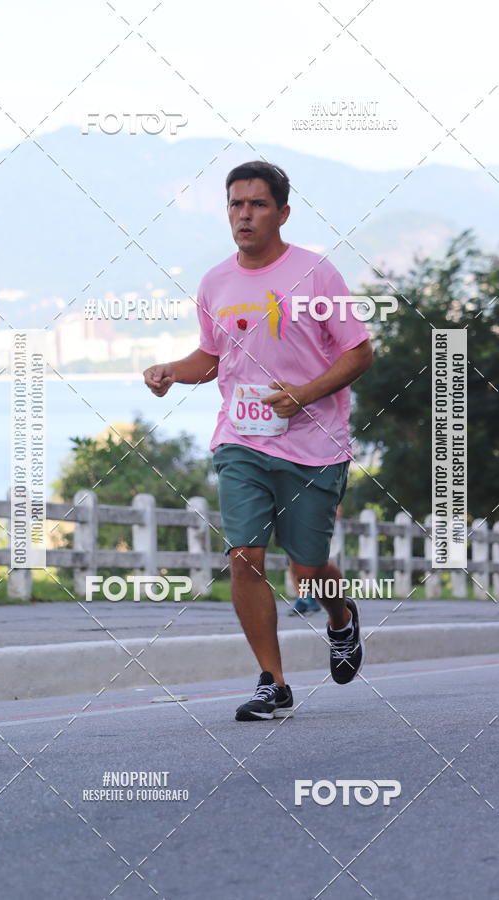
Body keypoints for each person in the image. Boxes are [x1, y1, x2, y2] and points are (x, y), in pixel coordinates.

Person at [144, 160, 373, 722]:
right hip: (241, 440)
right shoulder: (215, 282)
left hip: (313, 446)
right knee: (244, 557)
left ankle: (340, 617)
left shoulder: (317, 275)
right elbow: (212, 356)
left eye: (257, 204)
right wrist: (172, 370)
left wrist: (304, 394)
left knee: (308, 566)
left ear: (283, 213)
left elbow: (359, 351)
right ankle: (273, 681)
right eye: (236, 204)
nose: (244, 214)